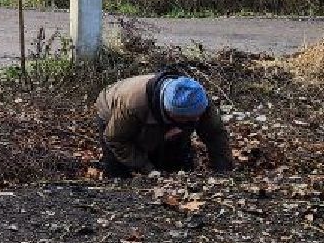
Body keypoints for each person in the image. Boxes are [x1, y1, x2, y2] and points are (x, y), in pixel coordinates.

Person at [93, 71, 235, 178]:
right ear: (172, 113)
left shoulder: (198, 99)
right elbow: (116, 139)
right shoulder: (133, 105)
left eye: (198, 116)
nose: (197, 119)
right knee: (118, 172)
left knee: (177, 161)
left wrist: (222, 171)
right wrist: (148, 169)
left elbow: (215, 134)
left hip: (162, 119)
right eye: (189, 118)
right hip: (113, 110)